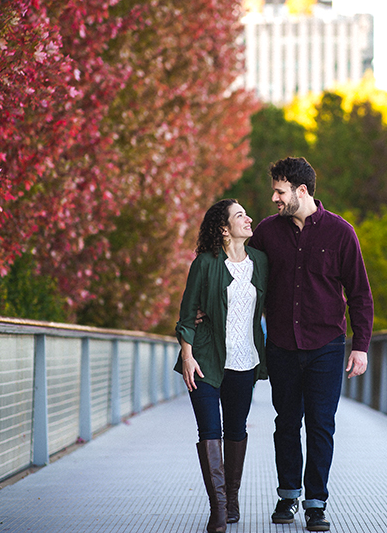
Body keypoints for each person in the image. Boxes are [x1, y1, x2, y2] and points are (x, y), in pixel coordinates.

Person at [249, 157, 373, 532]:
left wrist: (360, 345)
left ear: (301, 191)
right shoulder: (268, 233)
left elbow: (360, 294)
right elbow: (239, 272)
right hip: (283, 344)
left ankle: (316, 503)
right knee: (286, 423)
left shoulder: (341, 233)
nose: (274, 197)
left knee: (321, 424)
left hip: (327, 345)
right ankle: (288, 495)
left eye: (279, 190)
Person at [174, 199, 269, 533]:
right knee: (209, 430)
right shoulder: (204, 263)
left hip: (244, 361)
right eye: (240, 215)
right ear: (224, 229)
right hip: (205, 360)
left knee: (236, 429)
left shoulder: (260, 262)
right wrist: (187, 356)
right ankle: (218, 509)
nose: (249, 218)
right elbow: (187, 315)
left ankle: (232, 496)